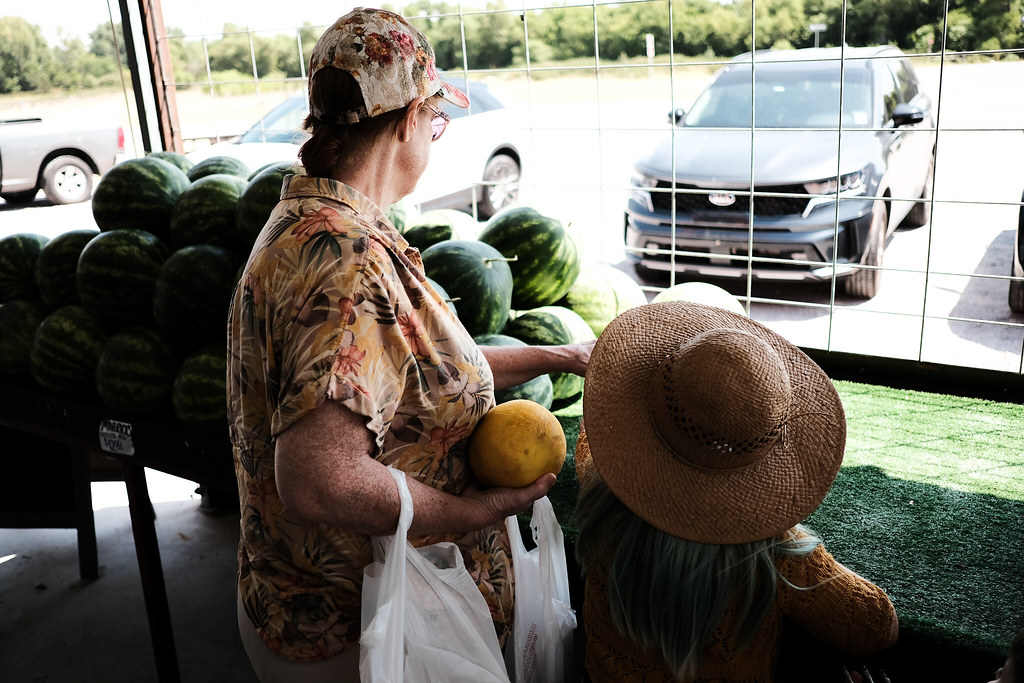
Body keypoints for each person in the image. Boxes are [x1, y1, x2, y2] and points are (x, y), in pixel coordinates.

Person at [226, 8, 593, 682]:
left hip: (345, 616)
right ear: (405, 122)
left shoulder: (315, 220)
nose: (434, 134)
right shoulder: (345, 261)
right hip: (360, 635)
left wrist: (562, 357)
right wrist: (465, 513)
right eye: (435, 120)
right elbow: (318, 477)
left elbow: (415, 376)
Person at [572, 301, 899, 682]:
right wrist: (791, 536)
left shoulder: (603, 483)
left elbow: (593, 442)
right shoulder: (778, 554)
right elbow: (877, 628)